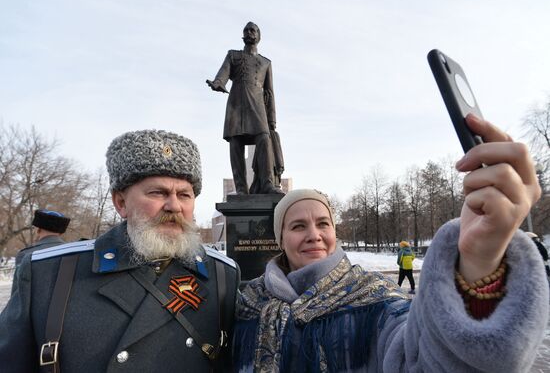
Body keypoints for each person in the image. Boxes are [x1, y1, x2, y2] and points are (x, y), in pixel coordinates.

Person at [232, 116, 549, 372]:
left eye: (323, 223)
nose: (314, 234)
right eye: (298, 226)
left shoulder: (376, 301)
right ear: (280, 240)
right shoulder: (247, 304)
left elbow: (428, 361)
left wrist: (479, 262)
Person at [0, 130, 240, 372]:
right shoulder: (50, 273)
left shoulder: (221, 275)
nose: (174, 206)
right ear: (121, 203)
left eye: (185, 195)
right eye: (158, 193)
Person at [207, 21, 283, 195]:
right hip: (237, 105)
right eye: (246, 30)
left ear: (258, 36)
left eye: (253, 30)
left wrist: (271, 120)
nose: (249, 33)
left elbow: (270, 92)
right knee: (236, 143)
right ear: (243, 35)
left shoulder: (265, 62)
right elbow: (223, 73)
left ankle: (267, 184)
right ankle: (241, 188)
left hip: (258, 106)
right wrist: (218, 83)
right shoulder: (233, 56)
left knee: (264, 139)